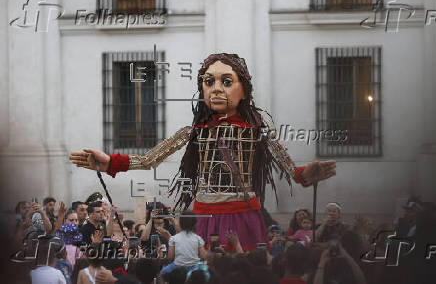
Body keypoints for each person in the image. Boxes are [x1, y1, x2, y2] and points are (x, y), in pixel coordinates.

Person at [70, 53, 336, 250]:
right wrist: (110, 163)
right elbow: (150, 159)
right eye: (209, 82)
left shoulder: (258, 130)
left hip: (244, 216)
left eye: (227, 81)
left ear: (243, 90)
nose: (217, 88)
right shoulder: (193, 132)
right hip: (205, 217)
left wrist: (306, 174)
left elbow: (291, 169)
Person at [161, 211, 208, 280]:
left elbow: (170, 257)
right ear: (195, 224)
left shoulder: (174, 238)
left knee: (163, 272)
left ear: (180, 224)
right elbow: (204, 256)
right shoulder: (198, 239)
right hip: (194, 267)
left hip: (178, 267)